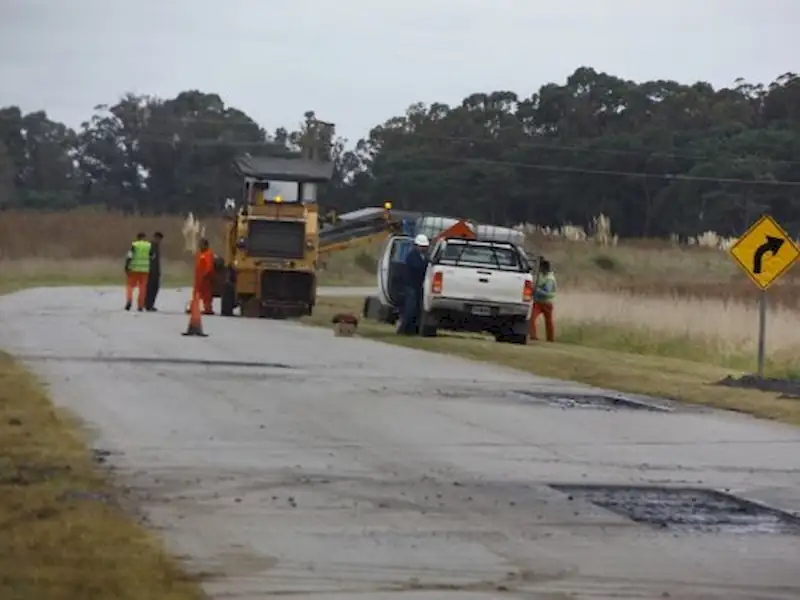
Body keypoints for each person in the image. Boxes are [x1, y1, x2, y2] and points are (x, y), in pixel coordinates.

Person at [397, 233, 430, 335]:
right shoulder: (412, 256)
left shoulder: (423, 256)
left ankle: (412, 329)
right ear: (416, 246)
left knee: (416, 309)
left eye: (425, 247)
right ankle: (403, 330)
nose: (423, 248)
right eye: (422, 246)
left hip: (418, 286)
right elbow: (418, 267)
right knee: (410, 308)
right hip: (410, 286)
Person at [529, 258, 556, 342]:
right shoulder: (541, 275)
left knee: (548, 322)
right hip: (537, 302)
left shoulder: (549, 279)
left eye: (541, 268)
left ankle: (550, 338)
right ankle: (533, 336)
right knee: (532, 318)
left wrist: (536, 290)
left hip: (547, 303)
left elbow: (546, 292)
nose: (539, 269)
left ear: (544, 268)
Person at [125, 232, 152, 312]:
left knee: (130, 286)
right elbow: (152, 256)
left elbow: (130, 255)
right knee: (142, 288)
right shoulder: (148, 245)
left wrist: (126, 266)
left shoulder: (135, 245)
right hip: (145, 270)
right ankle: (140, 305)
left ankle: (129, 300)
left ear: (137, 238)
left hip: (134, 269)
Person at [194, 238, 215, 315]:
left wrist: (206, 274)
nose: (199, 246)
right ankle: (194, 308)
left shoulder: (208, 254)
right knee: (196, 294)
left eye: (201, 244)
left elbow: (209, 266)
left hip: (205, 278)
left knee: (206, 295)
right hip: (198, 278)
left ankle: (208, 309)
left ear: (205, 245)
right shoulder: (199, 254)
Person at [144, 231, 164, 312]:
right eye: (159, 239)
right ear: (156, 238)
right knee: (151, 289)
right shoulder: (152, 246)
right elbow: (151, 259)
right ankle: (148, 305)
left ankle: (150, 304)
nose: (159, 241)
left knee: (155, 288)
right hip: (152, 271)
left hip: (156, 271)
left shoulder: (156, 246)